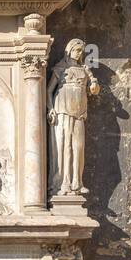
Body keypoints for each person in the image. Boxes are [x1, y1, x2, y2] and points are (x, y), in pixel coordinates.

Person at [47, 38, 101, 196]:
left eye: (81, 51)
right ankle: (63, 182)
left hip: (79, 111)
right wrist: (50, 108)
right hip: (63, 109)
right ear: (69, 50)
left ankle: (77, 182)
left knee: (78, 146)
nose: (79, 54)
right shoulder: (61, 68)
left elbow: (93, 90)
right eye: (76, 50)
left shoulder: (85, 69)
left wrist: (94, 85)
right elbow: (49, 90)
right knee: (64, 146)